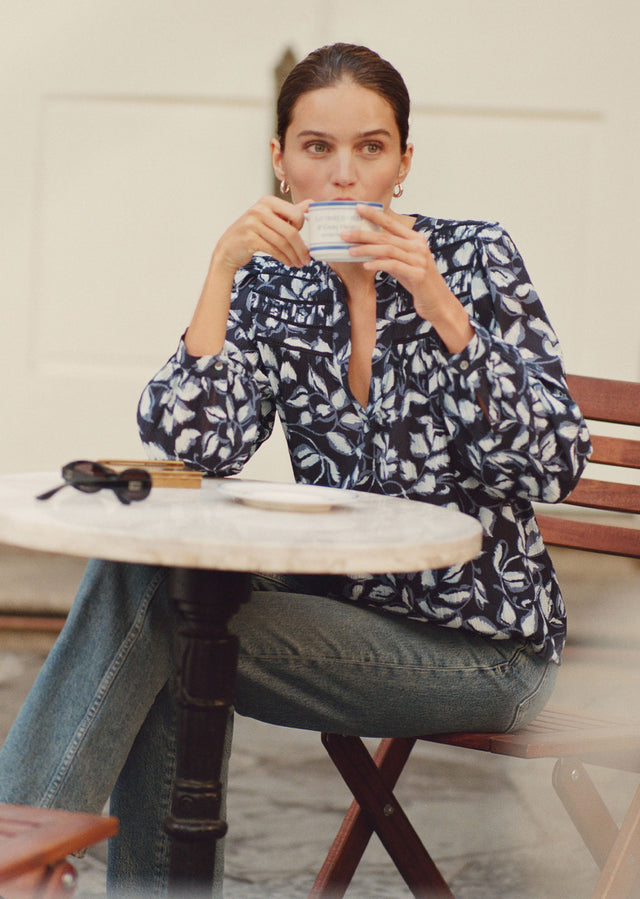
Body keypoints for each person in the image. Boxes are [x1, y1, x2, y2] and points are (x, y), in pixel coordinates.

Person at [0, 43, 591, 896]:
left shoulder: (472, 259)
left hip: (484, 651)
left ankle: (20, 857)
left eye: (370, 148)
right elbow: (194, 451)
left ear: (403, 162)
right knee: (154, 579)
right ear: (280, 163)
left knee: (174, 625)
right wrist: (222, 271)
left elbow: (554, 461)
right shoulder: (278, 284)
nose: (344, 175)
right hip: (342, 618)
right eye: (317, 148)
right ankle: (34, 858)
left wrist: (439, 306)